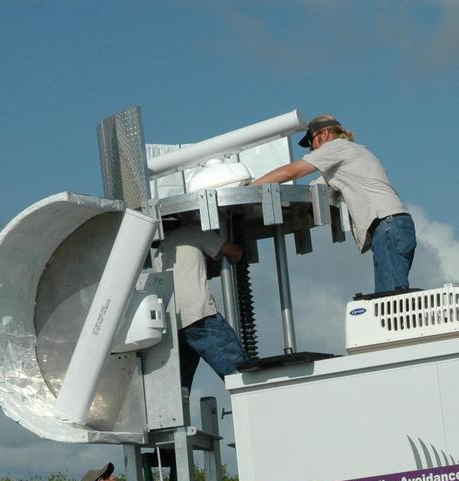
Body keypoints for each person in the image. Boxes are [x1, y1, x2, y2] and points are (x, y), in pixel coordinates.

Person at [251, 114, 415, 293]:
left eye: (311, 142)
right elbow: (314, 189)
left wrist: (251, 188)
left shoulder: (336, 148)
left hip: (388, 225)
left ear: (324, 134)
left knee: (391, 298)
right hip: (393, 225)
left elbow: (292, 171)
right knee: (390, 296)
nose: (312, 150)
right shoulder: (348, 156)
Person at [156, 221, 247, 387]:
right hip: (200, 316)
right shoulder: (194, 230)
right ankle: (256, 407)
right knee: (240, 375)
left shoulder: (160, 250)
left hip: (173, 325)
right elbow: (234, 252)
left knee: (179, 390)